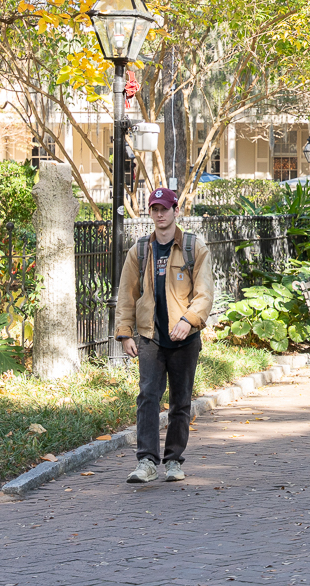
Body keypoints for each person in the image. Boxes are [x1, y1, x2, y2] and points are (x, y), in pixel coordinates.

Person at [115, 188, 215, 484]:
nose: (160, 214)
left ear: (175, 211)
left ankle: (173, 461)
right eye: (155, 209)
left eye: (165, 209)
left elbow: (205, 293)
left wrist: (189, 320)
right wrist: (125, 333)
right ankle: (146, 461)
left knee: (180, 401)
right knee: (147, 397)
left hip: (185, 338)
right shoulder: (139, 250)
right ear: (150, 213)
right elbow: (127, 295)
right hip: (150, 337)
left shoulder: (193, 247)